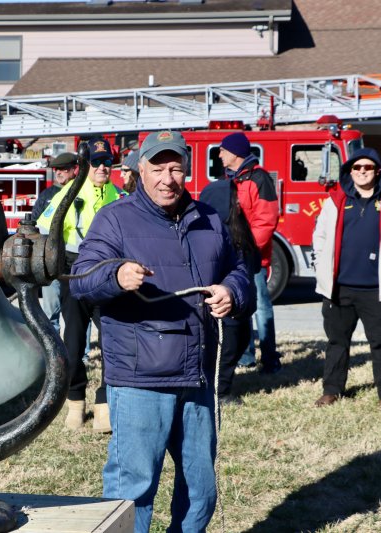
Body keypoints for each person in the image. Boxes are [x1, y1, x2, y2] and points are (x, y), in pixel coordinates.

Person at [70, 130, 250, 532]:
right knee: (133, 490)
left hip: (197, 377)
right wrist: (115, 274)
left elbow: (239, 270)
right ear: (139, 170)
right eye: (158, 167)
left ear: (187, 170)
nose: (168, 178)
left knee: (202, 490)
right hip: (140, 380)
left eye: (176, 168)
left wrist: (231, 292)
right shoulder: (115, 218)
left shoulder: (208, 219)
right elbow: (81, 279)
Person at [37, 137, 124, 432]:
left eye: (107, 162)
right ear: (84, 165)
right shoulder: (68, 194)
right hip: (74, 277)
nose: (103, 168)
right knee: (72, 347)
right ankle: (76, 402)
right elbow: (45, 227)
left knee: (113, 345)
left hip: (108, 279)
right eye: (97, 162)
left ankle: (104, 404)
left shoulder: (118, 196)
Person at [312, 148, 381, 411]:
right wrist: (321, 267)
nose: (361, 171)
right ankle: (332, 390)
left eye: (367, 167)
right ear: (349, 171)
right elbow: (320, 238)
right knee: (337, 343)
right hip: (340, 288)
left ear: (377, 171)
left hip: (377, 290)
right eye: (356, 167)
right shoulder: (335, 200)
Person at [218, 132, 281, 373]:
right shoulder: (229, 179)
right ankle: (245, 357)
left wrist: (246, 250)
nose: (220, 153)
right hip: (232, 257)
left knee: (261, 306)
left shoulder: (259, 179)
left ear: (235, 153)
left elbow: (266, 221)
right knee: (239, 305)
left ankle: (270, 358)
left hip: (251, 257)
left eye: (223, 149)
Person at [200, 177, 259, 405]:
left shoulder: (237, 225)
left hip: (241, 302)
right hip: (225, 305)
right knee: (228, 346)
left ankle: (224, 384)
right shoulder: (213, 233)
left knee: (241, 340)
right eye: (233, 198)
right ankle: (220, 392)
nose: (238, 202)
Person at [31, 152, 79, 335]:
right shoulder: (47, 195)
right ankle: (54, 351)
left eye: (64, 169)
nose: (58, 173)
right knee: (51, 311)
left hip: (72, 262)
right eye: (56, 169)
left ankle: (80, 355)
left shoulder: (82, 192)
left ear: (74, 170)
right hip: (51, 262)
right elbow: (36, 221)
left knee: (76, 313)